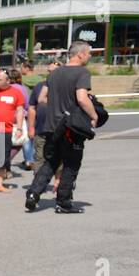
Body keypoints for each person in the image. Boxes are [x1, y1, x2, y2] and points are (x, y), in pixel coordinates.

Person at [26, 41, 97, 214]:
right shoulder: (82, 72)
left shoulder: (55, 73)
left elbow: (42, 98)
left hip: (51, 126)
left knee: (51, 162)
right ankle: (63, 202)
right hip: (71, 128)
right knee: (71, 164)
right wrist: (93, 115)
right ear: (80, 54)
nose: (89, 56)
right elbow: (81, 98)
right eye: (88, 53)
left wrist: (58, 105)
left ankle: (33, 194)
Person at [25, 59, 59, 172]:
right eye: (49, 71)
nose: (51, 74)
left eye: (55, 72)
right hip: (41, 130)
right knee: (39, 158)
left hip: (59, 130)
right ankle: (38, 184)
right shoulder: (39, 86)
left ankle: (58, 183)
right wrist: (31, 127)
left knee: (59, 159)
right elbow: (31, 108)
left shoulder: (64, 87)